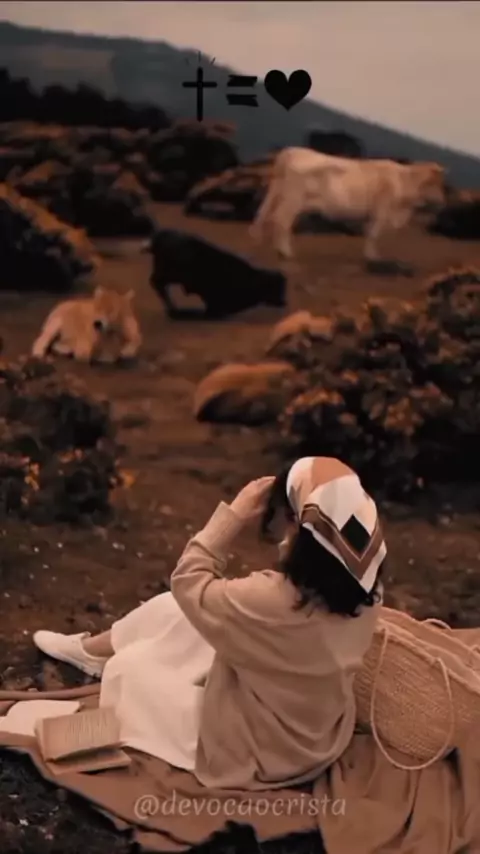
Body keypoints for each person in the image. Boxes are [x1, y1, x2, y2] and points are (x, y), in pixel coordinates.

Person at [33, 456, 386, 791]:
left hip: (261, 750)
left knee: (128, 669)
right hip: (311, 732)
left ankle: (112, 663)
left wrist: (235, 514)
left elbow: (188, 579)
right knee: (176, 610)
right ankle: (92, 651)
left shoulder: (274, 600)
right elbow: (200, 600)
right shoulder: (367, 592)